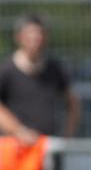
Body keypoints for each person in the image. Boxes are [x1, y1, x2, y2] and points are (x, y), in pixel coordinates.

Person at [0, 14, 81, 146]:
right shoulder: (6, 70)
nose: (35, 40)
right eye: (30, 35)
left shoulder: (55, 68)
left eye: (39, 35)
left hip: (49, 145)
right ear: (19, 37)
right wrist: (18, 131)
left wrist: (68, 135)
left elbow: (73, 103)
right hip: (17, 148)